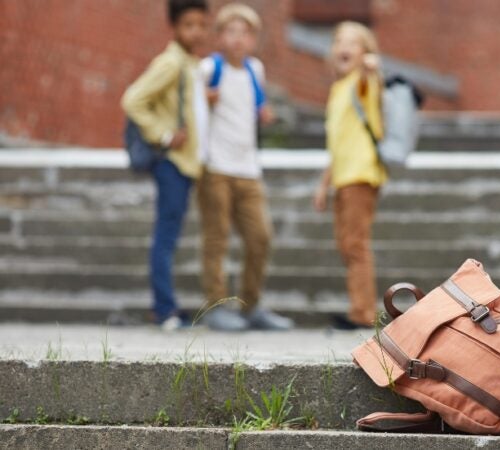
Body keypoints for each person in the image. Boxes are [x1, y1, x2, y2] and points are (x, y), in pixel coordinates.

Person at [196, 3, 292, 331]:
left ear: (253, 40)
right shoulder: (209, 69)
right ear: (220, 36)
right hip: (216, 168)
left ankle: (251, 305)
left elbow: (255, 106)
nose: (238, 39)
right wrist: (203, 102)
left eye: (245, 33)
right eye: (231, 31)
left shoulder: (256, 70)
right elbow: (194, 112)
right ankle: (217, 305)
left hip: (248, 168)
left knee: (260, 237)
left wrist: (265, 113)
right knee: (217, 238)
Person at [122, 0, 209, 331]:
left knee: (169, 234)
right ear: (174, 26)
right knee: (166, 235)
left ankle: (166, 306)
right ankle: (164, 309)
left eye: (202, 24)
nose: (196, 31)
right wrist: (164, 134)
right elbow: (132, 99)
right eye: (189, 25)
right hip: (171, 163)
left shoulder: (190, 62)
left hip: (186, 165)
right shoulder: (171, 62)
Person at [313, 21, 386, 330]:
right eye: (339, 41)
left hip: (361, 173)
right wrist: (323, 184)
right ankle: (360, 307)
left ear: (364, 52)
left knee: (355, 244)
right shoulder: (338, 88)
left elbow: (373, 78)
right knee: (346, 244)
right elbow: (337, 143)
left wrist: (371, 66)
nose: (344, 47)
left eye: (353, 43)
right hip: (342, 176)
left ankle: (363, 312)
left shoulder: (361, 82)